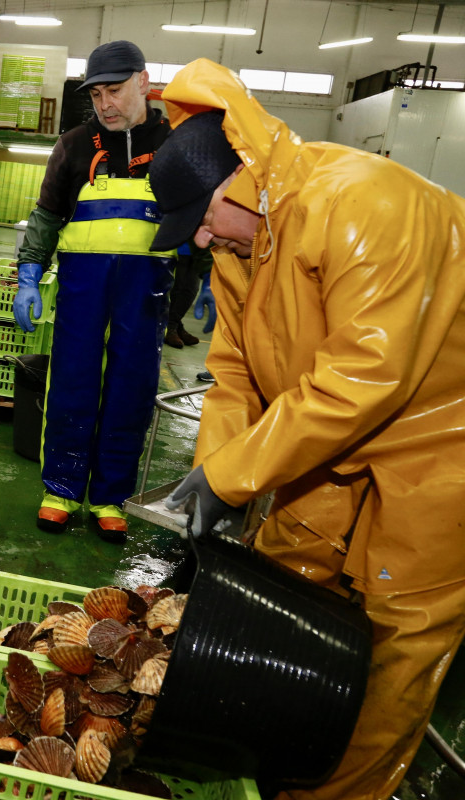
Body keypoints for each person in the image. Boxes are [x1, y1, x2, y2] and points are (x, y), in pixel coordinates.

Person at [150, 59, 465, 800]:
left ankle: (337, 793)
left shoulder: (362, 205)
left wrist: (234, 478)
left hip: (441, 436)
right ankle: (277, 750)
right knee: (284, 580)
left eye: (201, 218)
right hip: (325, 434)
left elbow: (363, 378)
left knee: (393, 637)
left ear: (239, 183)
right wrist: (210, 477)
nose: (198, 241)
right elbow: (232, 374)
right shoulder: (244, 246)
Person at [11, 40, 174, 542]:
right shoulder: (76, 145)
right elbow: (46, 215)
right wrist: (28, 275)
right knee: (71, 382)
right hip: (82, 288)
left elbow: (205, 220)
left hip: (145, 294)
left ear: (143, 82)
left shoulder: (174, 143)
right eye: (97, 93)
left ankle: (110, 497)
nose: (105, 103)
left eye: (116, 90)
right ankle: (60, 488)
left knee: (131, 389)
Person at [162, 239, 211, 348]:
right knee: (177, 289)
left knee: (191, 290)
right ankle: (171, 327)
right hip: (178, 248)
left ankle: (175, 325)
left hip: (199, 250)